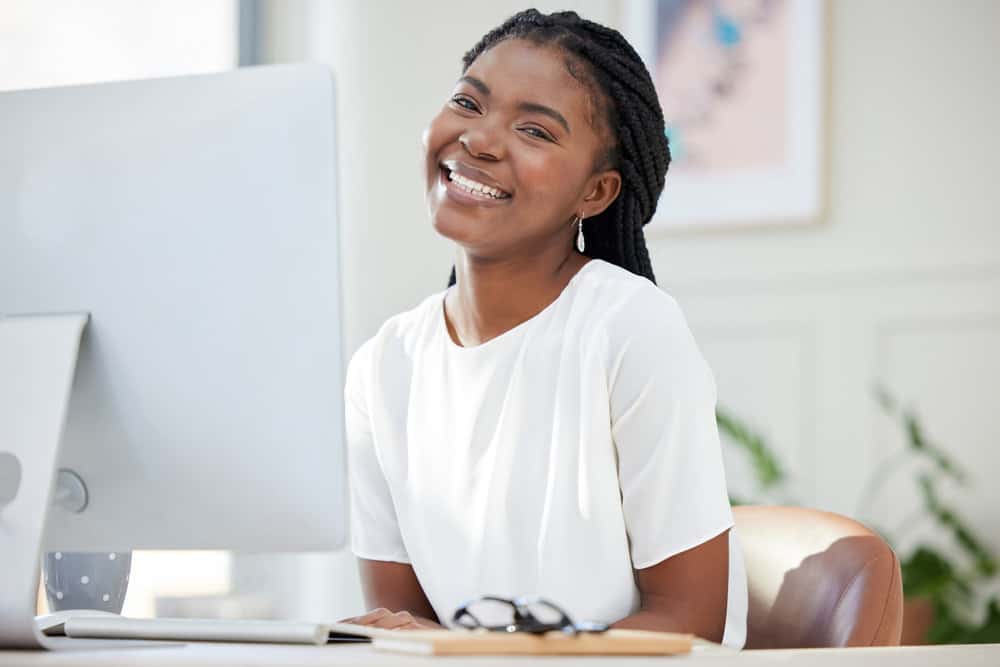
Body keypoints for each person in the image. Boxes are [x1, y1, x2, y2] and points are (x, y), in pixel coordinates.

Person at [341, 9, 747, 648]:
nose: (480, 140)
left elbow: (690, 622)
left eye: (534, 129)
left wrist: (485, 653)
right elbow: (401, 630)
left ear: (596, 191)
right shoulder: (382, 365)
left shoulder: (630, 329)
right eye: (467, 103)